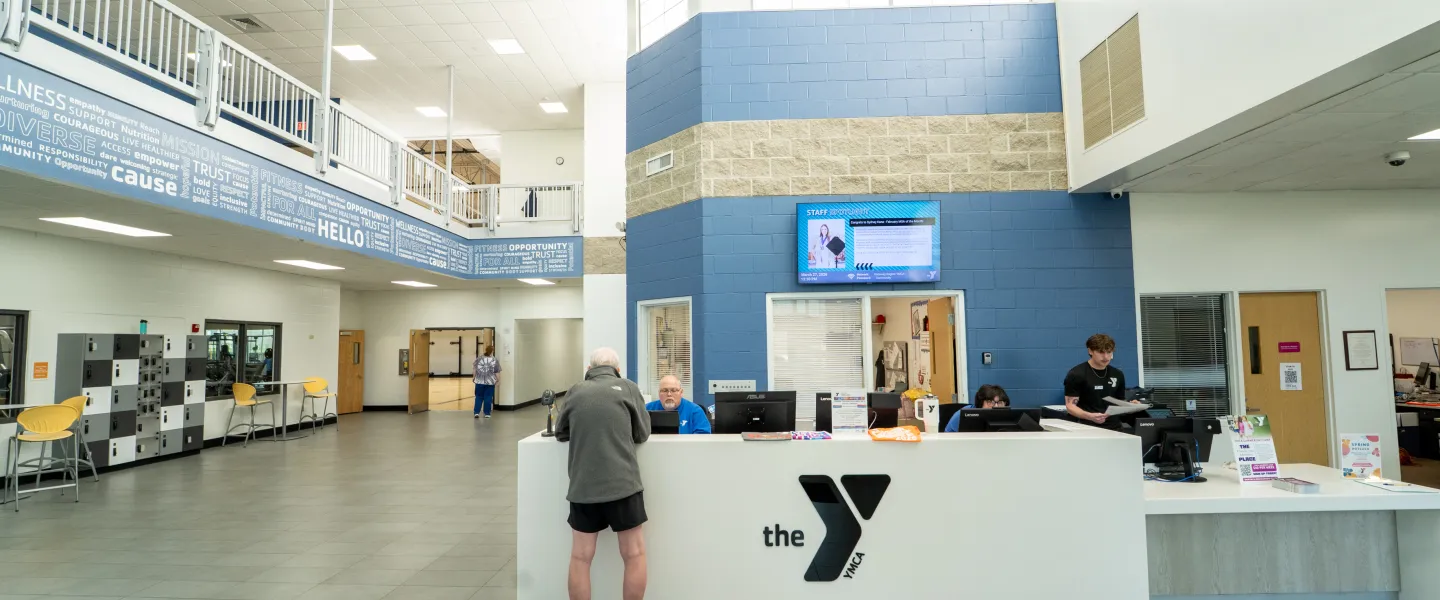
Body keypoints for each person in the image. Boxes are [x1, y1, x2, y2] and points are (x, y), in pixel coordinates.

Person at [555, 348, 650, 600]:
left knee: (580, 556)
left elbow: (560, 431)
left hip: (583, 487)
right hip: (623, 485)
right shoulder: (627, 387)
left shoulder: (575, 390)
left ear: (589, 370)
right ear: (617, 370)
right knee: (634, 554)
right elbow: (642, 433)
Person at [1063, 333, 1134, 429]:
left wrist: (1131, 405)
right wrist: (1089, 416)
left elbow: (1119, 401)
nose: (1106, 357)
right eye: (1101, 352)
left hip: (1114, 427)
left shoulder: (1117, 374)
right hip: (1086, 426)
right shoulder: (1077, 374)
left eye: (1109, 352)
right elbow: (1070, 406)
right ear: (1090, 351)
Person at [644, 375, 711, 434]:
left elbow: (703, 436)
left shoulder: (695, 411)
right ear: (659, 393)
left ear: (681, 392)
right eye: (664, 390)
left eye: (673, 390)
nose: (669, 394)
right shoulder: (646, 409)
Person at [943, 384, 1009, 432]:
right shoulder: (962, 414)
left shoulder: (1005, 416)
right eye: (990, 402)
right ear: (980, 402)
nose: (996, 406)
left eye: (1000, 402)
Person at [473, 345, 500, 419]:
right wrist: (498, 380)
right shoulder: (494, 360)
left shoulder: (479, 359)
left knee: (478, 397)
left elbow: (474, 369)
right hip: (490, 382)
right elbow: (497, 372)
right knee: (488, 397)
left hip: (479, 381)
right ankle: (487, 413)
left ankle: (476, 412)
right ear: (492, 351)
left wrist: (474, 377)